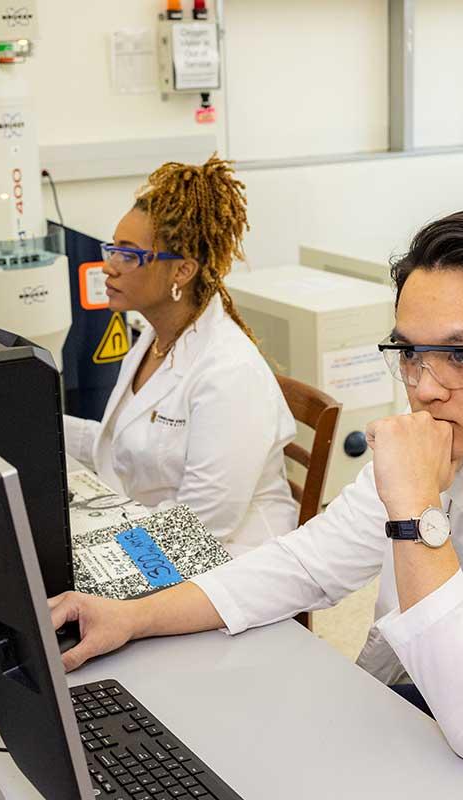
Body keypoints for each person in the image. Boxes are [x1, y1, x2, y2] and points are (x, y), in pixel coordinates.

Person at [50, 210, 463, 799]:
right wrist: (132, 617)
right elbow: (302, 565)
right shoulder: (452, 438)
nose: (425, 387)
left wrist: (414, 512)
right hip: (442, 744)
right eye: (409, 352)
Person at [62, 156, 297, 554]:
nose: (109, 267)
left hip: (230, 561)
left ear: (182, 272)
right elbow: (117, 443)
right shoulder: (154, 339)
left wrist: (106, 546)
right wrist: (33, 426)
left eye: (129, 254)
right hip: (158, 534)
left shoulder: (229, 373)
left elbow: (203, 523)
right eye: (112, 249)